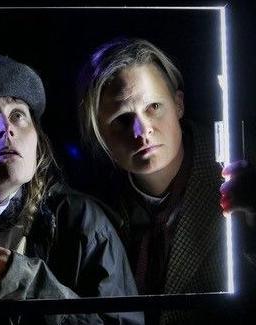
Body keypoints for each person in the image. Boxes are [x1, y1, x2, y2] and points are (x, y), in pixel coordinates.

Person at [76, 37, 256, 323]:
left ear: (179, 104)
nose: (141, 130)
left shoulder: (243, 171)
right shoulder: (89, 208)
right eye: (122, 119)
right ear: (99, 135)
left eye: (154, 107)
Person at [0, 55, 141, 324]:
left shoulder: (82, 223)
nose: (5, 128)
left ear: (38, 141)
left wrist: (33, 286)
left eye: (17, 115)